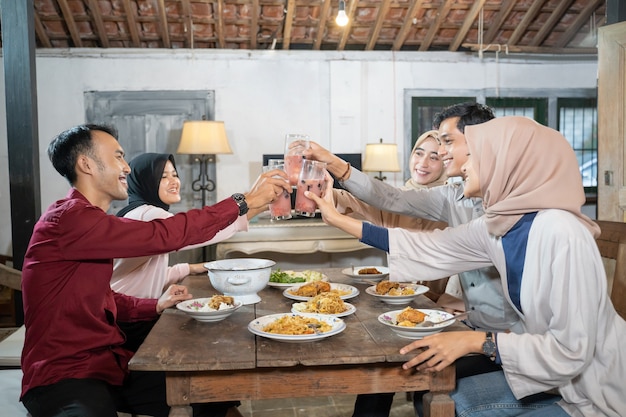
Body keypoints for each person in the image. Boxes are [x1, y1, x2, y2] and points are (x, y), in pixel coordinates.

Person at [309, 116, 626, 416]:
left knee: (445, 394)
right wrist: (336, 218)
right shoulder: (499, 225)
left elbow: (572, 351)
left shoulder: (563, 232)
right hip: (551, 374)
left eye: (474, 155)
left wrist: (477, 341)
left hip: (595, 392)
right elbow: (430, 246)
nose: (461, 165)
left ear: (508, 164)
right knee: (439, 389)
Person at [19, 123, 289, 417]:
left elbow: (98, 297)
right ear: (86, 164)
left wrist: (154, 305)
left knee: (213, 394)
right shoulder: (69, 219)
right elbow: (164, 234)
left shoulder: (90, 221)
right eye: (118, 157)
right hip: (65, 375)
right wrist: (243, 201)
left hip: (108, 365)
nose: (126, 167)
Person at [304, 103, 515, 415]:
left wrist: (339, 220)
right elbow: (392, 199)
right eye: (430, 147)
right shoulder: (452, 195)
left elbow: (423, 247)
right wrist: (336, 165)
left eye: (447, 143)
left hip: (504, 341)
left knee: (396, 364)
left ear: (482, 143)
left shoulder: (512, 211)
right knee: (388, 359)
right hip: (473, 323)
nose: (441, 154)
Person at [343, 130, 462, 416]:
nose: (423, 162)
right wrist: (328, 194)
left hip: (441, 312)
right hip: (399, 308)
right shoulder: (396, 199)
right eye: (419, 153)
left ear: (447, 161)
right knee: (376, 371)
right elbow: (358, 206)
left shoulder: (456, 204)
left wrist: (444, 299)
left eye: (435, 156)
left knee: (403, 371)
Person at [111, 152, 265, 351]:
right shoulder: (149, 214)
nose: (173, 181)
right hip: (128, 319)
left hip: (125, 313)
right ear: (145, 181)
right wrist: (256, 202)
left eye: (174, 174)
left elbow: (142, 273)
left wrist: (191, 268)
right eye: (163, 177)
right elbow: (203, 234)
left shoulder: (133, 212)